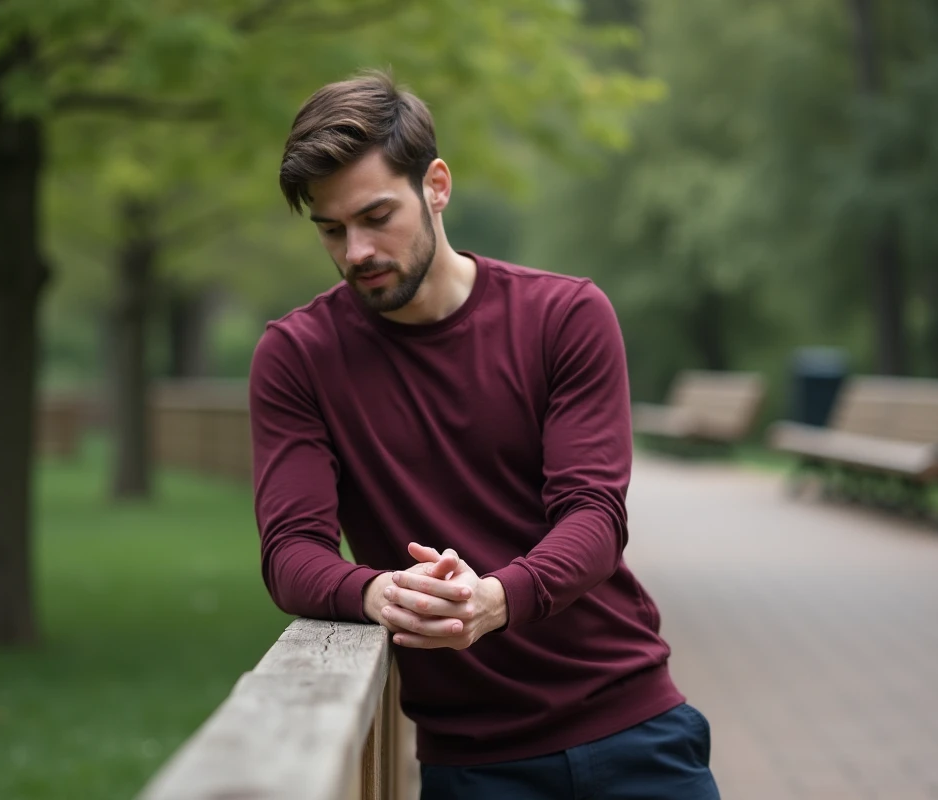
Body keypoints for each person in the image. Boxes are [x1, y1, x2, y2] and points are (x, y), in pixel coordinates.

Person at [249, 70, 721, 800]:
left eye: (377, 216)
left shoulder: (565, 317)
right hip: (473, 766)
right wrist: (377, 591)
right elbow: (290, 552)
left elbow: (595, 519)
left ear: (436, 185)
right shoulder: (297, 357)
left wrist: (495, 599)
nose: (356, 252)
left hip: (633, 730)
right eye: (332, 229)